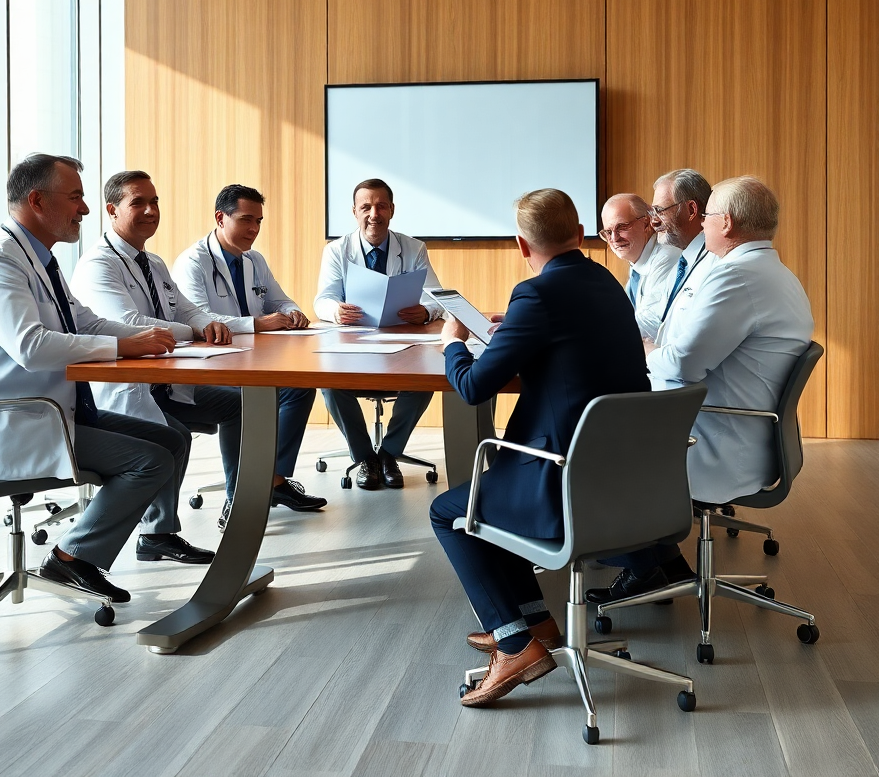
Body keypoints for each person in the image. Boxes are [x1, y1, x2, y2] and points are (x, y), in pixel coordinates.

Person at [0, 154, 214, 607]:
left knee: (170, 440)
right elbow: (30, 347)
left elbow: (84, 324)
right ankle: (71, 559)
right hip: (10, 422)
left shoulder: (38, 260)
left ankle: (148, 537)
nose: (84, 210)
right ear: (36, 200)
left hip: (48, 411)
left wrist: (149, 337)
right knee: (149, 461)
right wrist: (122, 347)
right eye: (75, 198)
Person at [429, 189, 650, 707]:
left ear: (520, 245)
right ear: (578, 235)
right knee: (489, 493)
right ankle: (538, 622)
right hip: (619, 473)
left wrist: (453, 343)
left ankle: (512, 641)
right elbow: (572, 346)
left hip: (562, 477)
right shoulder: (607, 282)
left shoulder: (536, 295)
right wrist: (517, 333)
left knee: (449, 511)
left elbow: (473, 387)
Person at [587, 176, 814, 604]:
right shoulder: (774, 272)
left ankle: (641, 566)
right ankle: (662, 565)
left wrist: (654, 350)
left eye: (707, 216)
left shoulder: (736, 278)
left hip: (718, 438)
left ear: (724, 222)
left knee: (590, 452)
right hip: (745, 432)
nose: (702, 224)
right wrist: (662, 348)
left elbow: (680, 365)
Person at [71, 170, 246, 533]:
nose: (150, 210)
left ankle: (241, 498)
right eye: (138, 202)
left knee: (241, 403)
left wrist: (202, 323)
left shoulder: (154, 263)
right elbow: (132, 323)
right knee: (174, 436)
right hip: (127, 389)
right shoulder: (98, 265)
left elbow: (185, 309)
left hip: (164, 384)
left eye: (154, 202)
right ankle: (158, 532)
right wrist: (195, 331)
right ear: (112, 210)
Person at [172, 184, 325, 531]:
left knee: (300, 388)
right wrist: (258, 323)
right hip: (213, 362)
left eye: (258, 221)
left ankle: (272, 478)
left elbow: (280, 300)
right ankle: (238, 496)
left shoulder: (254, 260)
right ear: (220, 218)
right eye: (246, 220)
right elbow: (198, 320)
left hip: (253, 357)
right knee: (243, 400)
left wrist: (293, 312)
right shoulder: (193, 262)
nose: (254, 229)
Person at [314, 178, 442, 490]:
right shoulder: (336, 250)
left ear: (392, 210)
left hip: (402, 344)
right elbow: (322, 301)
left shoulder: (413, 248)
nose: (374, 213)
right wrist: (335, 311)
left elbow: (436, 298)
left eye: (381, 206)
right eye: (366, 207)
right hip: (353, 344)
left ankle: (388, 453)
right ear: (354, 212)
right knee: (329, 385)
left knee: (424, 380)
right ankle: (365, 457)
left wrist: (425, 311)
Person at [599, 192, 680, 339]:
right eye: (608, 232)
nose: (614, 239)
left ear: (646, 223)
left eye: (622, 227)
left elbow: (650, 324)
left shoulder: (667, 258)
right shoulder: (638, 265)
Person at [649, 168, 716, 339]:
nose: (654, 221)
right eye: (652, 212)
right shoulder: (683, 262)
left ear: (691, 210)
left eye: (660, 211)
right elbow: (657, 318)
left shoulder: (715, 264)